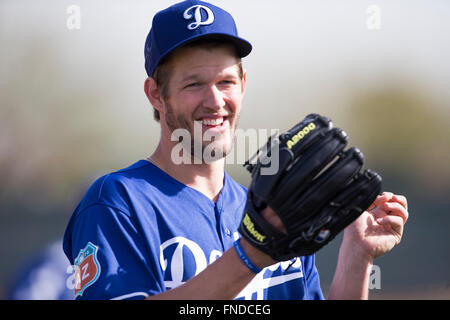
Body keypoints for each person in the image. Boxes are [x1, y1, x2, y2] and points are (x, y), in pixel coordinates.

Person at [63, 0, 408, 300]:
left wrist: (356, 256)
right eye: (194, 84)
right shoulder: (117, 201)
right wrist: (252, 253)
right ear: (155, 94)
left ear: (243, 85)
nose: (215, 101)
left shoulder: (273, 211)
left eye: (225, 82)